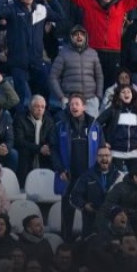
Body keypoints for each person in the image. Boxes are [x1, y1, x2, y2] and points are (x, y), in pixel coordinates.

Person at [51, 93, 105, 242]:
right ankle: (65, 244)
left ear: (84, 106)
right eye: (71, 104)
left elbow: (102, 150)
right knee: (67, 215)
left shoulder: (95, 126)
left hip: (89, 178)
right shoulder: (61, 125)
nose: (74, 107)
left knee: (89, 214)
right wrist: (60, 169)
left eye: (77, 104)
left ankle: (88, 245)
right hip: (69, 177)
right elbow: (54, 150)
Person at [50, 25, 104, 116]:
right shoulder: (63, 53)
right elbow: (53, 77)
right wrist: (61, 97)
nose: (79, 36)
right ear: (71, 37)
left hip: (90, 100)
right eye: (76, 34)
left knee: (91, 129)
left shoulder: (93, 53)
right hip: (70, 100)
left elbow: (99, 76)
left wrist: (98, 96)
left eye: (82, 34)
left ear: (86, 37)